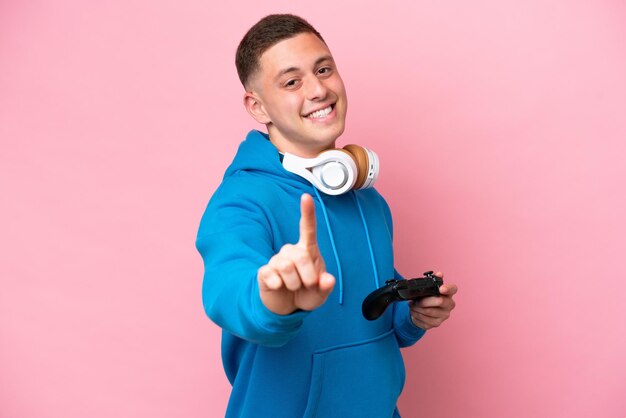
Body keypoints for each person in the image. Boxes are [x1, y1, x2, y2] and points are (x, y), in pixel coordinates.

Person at [195, 14, 457, 418]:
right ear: (257, 106)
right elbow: (226, 290)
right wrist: (274, 300)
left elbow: (366, 318)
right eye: (292, 81)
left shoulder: (367, 199)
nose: (319, 90)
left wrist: (412, 315)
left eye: (323, 69)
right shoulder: (241, 200)